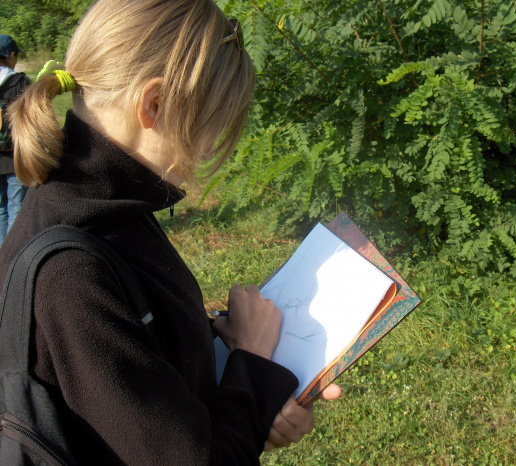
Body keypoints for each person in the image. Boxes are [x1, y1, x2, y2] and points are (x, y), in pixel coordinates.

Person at [0, 0, 340, 464]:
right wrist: (255, 360)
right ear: (154, 104)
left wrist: (250, 387)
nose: (210, 151)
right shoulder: (70, 277)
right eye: (212, 128)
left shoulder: (110, 209)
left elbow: (150, 360)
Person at [0, 34, 29, 245]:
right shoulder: (20, 83)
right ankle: (11, 258)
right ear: (10, 55)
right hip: (14, 156)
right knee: (16, 207)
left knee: (0, 210)